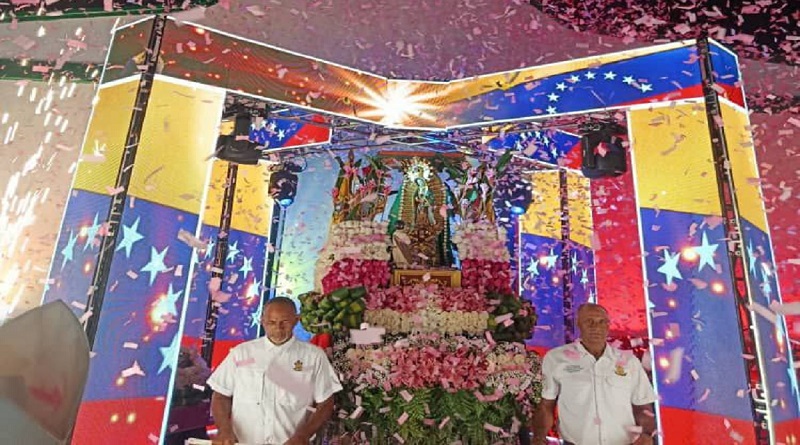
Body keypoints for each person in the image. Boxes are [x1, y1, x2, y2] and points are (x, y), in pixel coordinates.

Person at [207, 297, 342, 445]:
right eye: (271, 322)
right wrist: (224, 429)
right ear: (262, 321)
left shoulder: (314, 356)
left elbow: (326, 402)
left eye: (285, 322)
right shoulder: (241, 353)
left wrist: (304, 434)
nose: (278, 328)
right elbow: (221, 395)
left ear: (296, 320)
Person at [532, 303, 657, 445]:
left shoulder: (629, 361)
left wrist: (647, 435)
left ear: (608, 325)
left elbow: (642, 407)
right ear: (579, 324)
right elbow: (546, 406)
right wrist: (539, 437)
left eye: (601, 322)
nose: (595, 327)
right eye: (589, 321)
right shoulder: (556, 358)